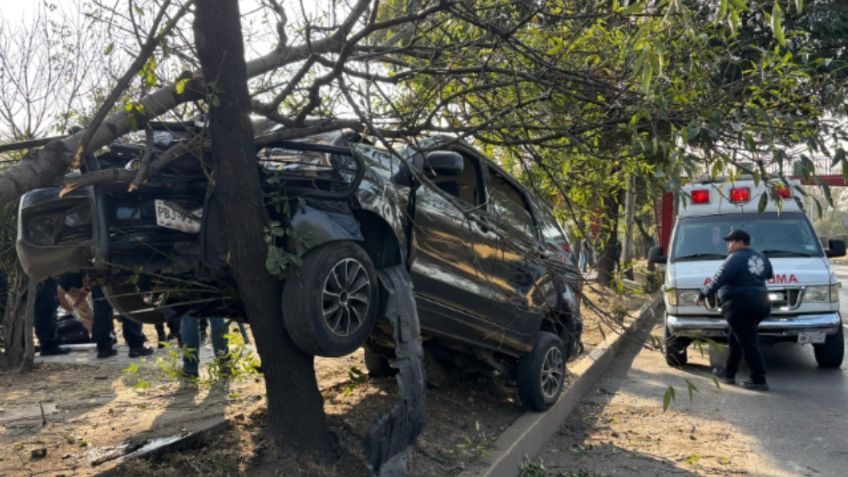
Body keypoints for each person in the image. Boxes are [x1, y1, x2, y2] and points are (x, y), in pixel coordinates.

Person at [696, 229, 773, 391]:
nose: (728, 245)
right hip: (761, 303)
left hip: (739, 305)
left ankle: (759, 379)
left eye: (731, 241)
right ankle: (729, 373)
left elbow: (719, 278)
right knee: (735, 337)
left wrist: (704, 293)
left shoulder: (735, 258)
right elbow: (769, 275)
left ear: (740, 242)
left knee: (748, 341)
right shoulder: (762, 256)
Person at [33, 278, 70, 356]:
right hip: (44, 281)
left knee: (45, 315)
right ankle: (49, 347)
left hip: (43, 282)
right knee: (47, 315)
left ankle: (47, 346)